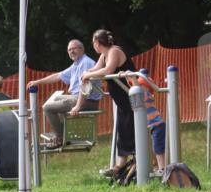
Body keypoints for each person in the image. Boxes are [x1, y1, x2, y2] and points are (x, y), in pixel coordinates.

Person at [73, 29, 136, 177]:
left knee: (131, 129)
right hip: (121, 100)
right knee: (123, 130)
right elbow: (96, 69)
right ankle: (120, 165)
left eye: (93, 43)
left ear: (97, 43)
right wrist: (86, 73)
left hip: (130, 97)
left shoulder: (114, 51)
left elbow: (108, 70)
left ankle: (140, 161)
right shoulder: (104, 55)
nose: (93, 46)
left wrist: (88, 74)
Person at [27, 39, 102, 148]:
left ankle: (60, 137)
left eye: (74, 48)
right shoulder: (76, 64)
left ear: (82, 49)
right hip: (77, 97)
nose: (71, 51)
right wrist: (37, 82)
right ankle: (63, 133)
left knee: (47, 108)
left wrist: (77, 106)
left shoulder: (86, 63)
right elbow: (58, 76)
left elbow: (85, 88)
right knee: (56, 98)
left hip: (86, 101)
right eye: (69, 50)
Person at [124, 69, 167, 176]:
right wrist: (125, 77)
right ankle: (158, 166)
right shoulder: (140, 93)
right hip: (151, 126)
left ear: (147, 87)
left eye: (142, 85)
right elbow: (132, 88)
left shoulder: (147, 95)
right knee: (153, 149)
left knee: (158, 148)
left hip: (157, 125)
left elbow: (136, 87)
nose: (139, 87)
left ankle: (162, 168)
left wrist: (132, 77)